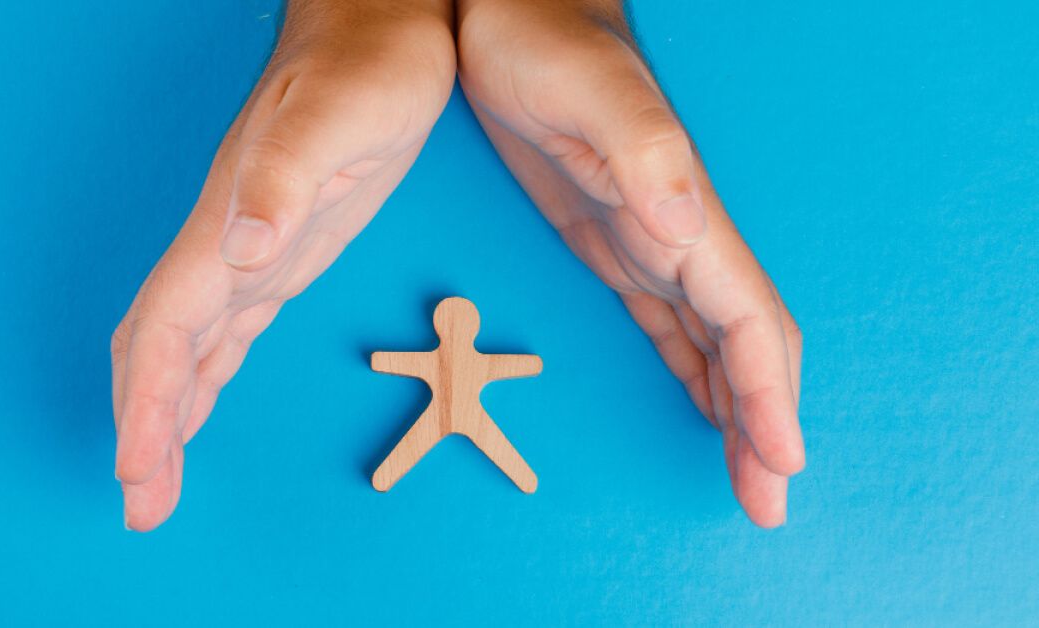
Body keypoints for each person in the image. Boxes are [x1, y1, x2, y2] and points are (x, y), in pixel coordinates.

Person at [110, 0, 805, 532]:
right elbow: (435, 365)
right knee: (451, 448)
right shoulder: (458, 350)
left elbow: (482, 365)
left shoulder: (462, 351)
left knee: (473, 447)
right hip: (455, 401)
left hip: (460, 403)